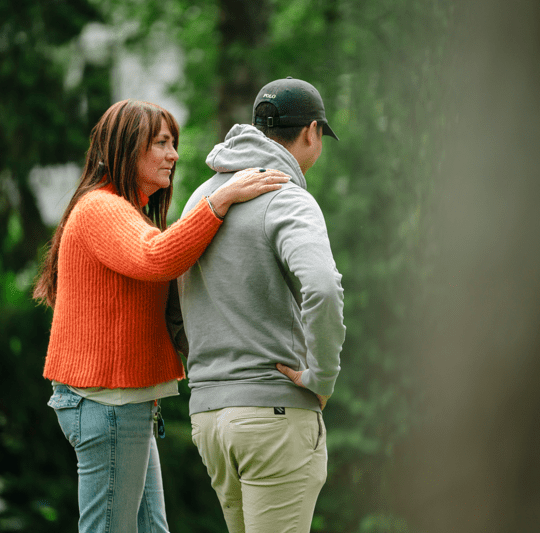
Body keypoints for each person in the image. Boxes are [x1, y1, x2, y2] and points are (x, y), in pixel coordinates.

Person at [32, 99, 288, 533]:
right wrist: (220, 200)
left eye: (174, 144)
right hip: (108, 402)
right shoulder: (102, 208)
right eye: (161, 144)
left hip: (122, 402)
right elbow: (158, 257)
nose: (173, 154)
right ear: (129, 148)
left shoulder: (119, 210)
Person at [176, 77, 346, 533]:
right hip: (273, 416)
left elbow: (172, 302)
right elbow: (324, 288)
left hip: (209, 418)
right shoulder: (288, 196)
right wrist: (321, 377)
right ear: (312, 132)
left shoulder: (200, 198)